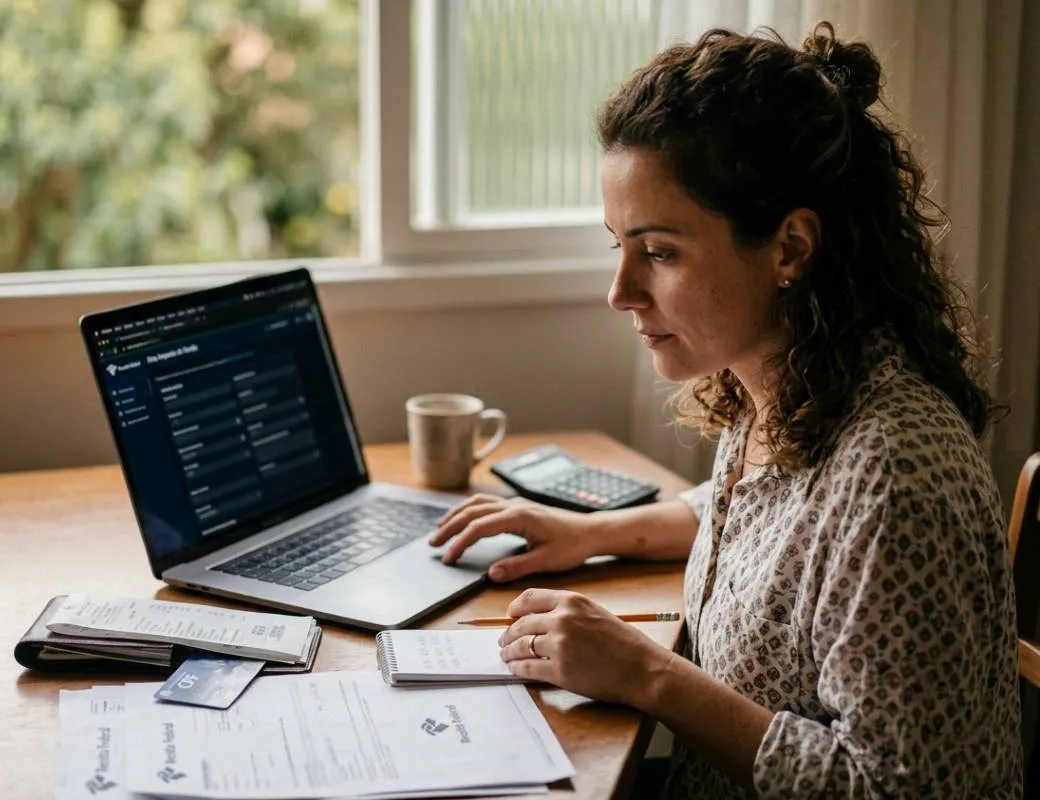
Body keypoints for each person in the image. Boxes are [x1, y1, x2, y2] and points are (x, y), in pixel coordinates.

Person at [429, 21, 1022, 799]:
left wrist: (648, 673)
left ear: (790, 249)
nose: (621, 292)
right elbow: (773, 527)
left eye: (662, 252)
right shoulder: (785, 385)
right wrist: (590, 534)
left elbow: (892, 791)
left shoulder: (895, 478)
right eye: (620, 246)